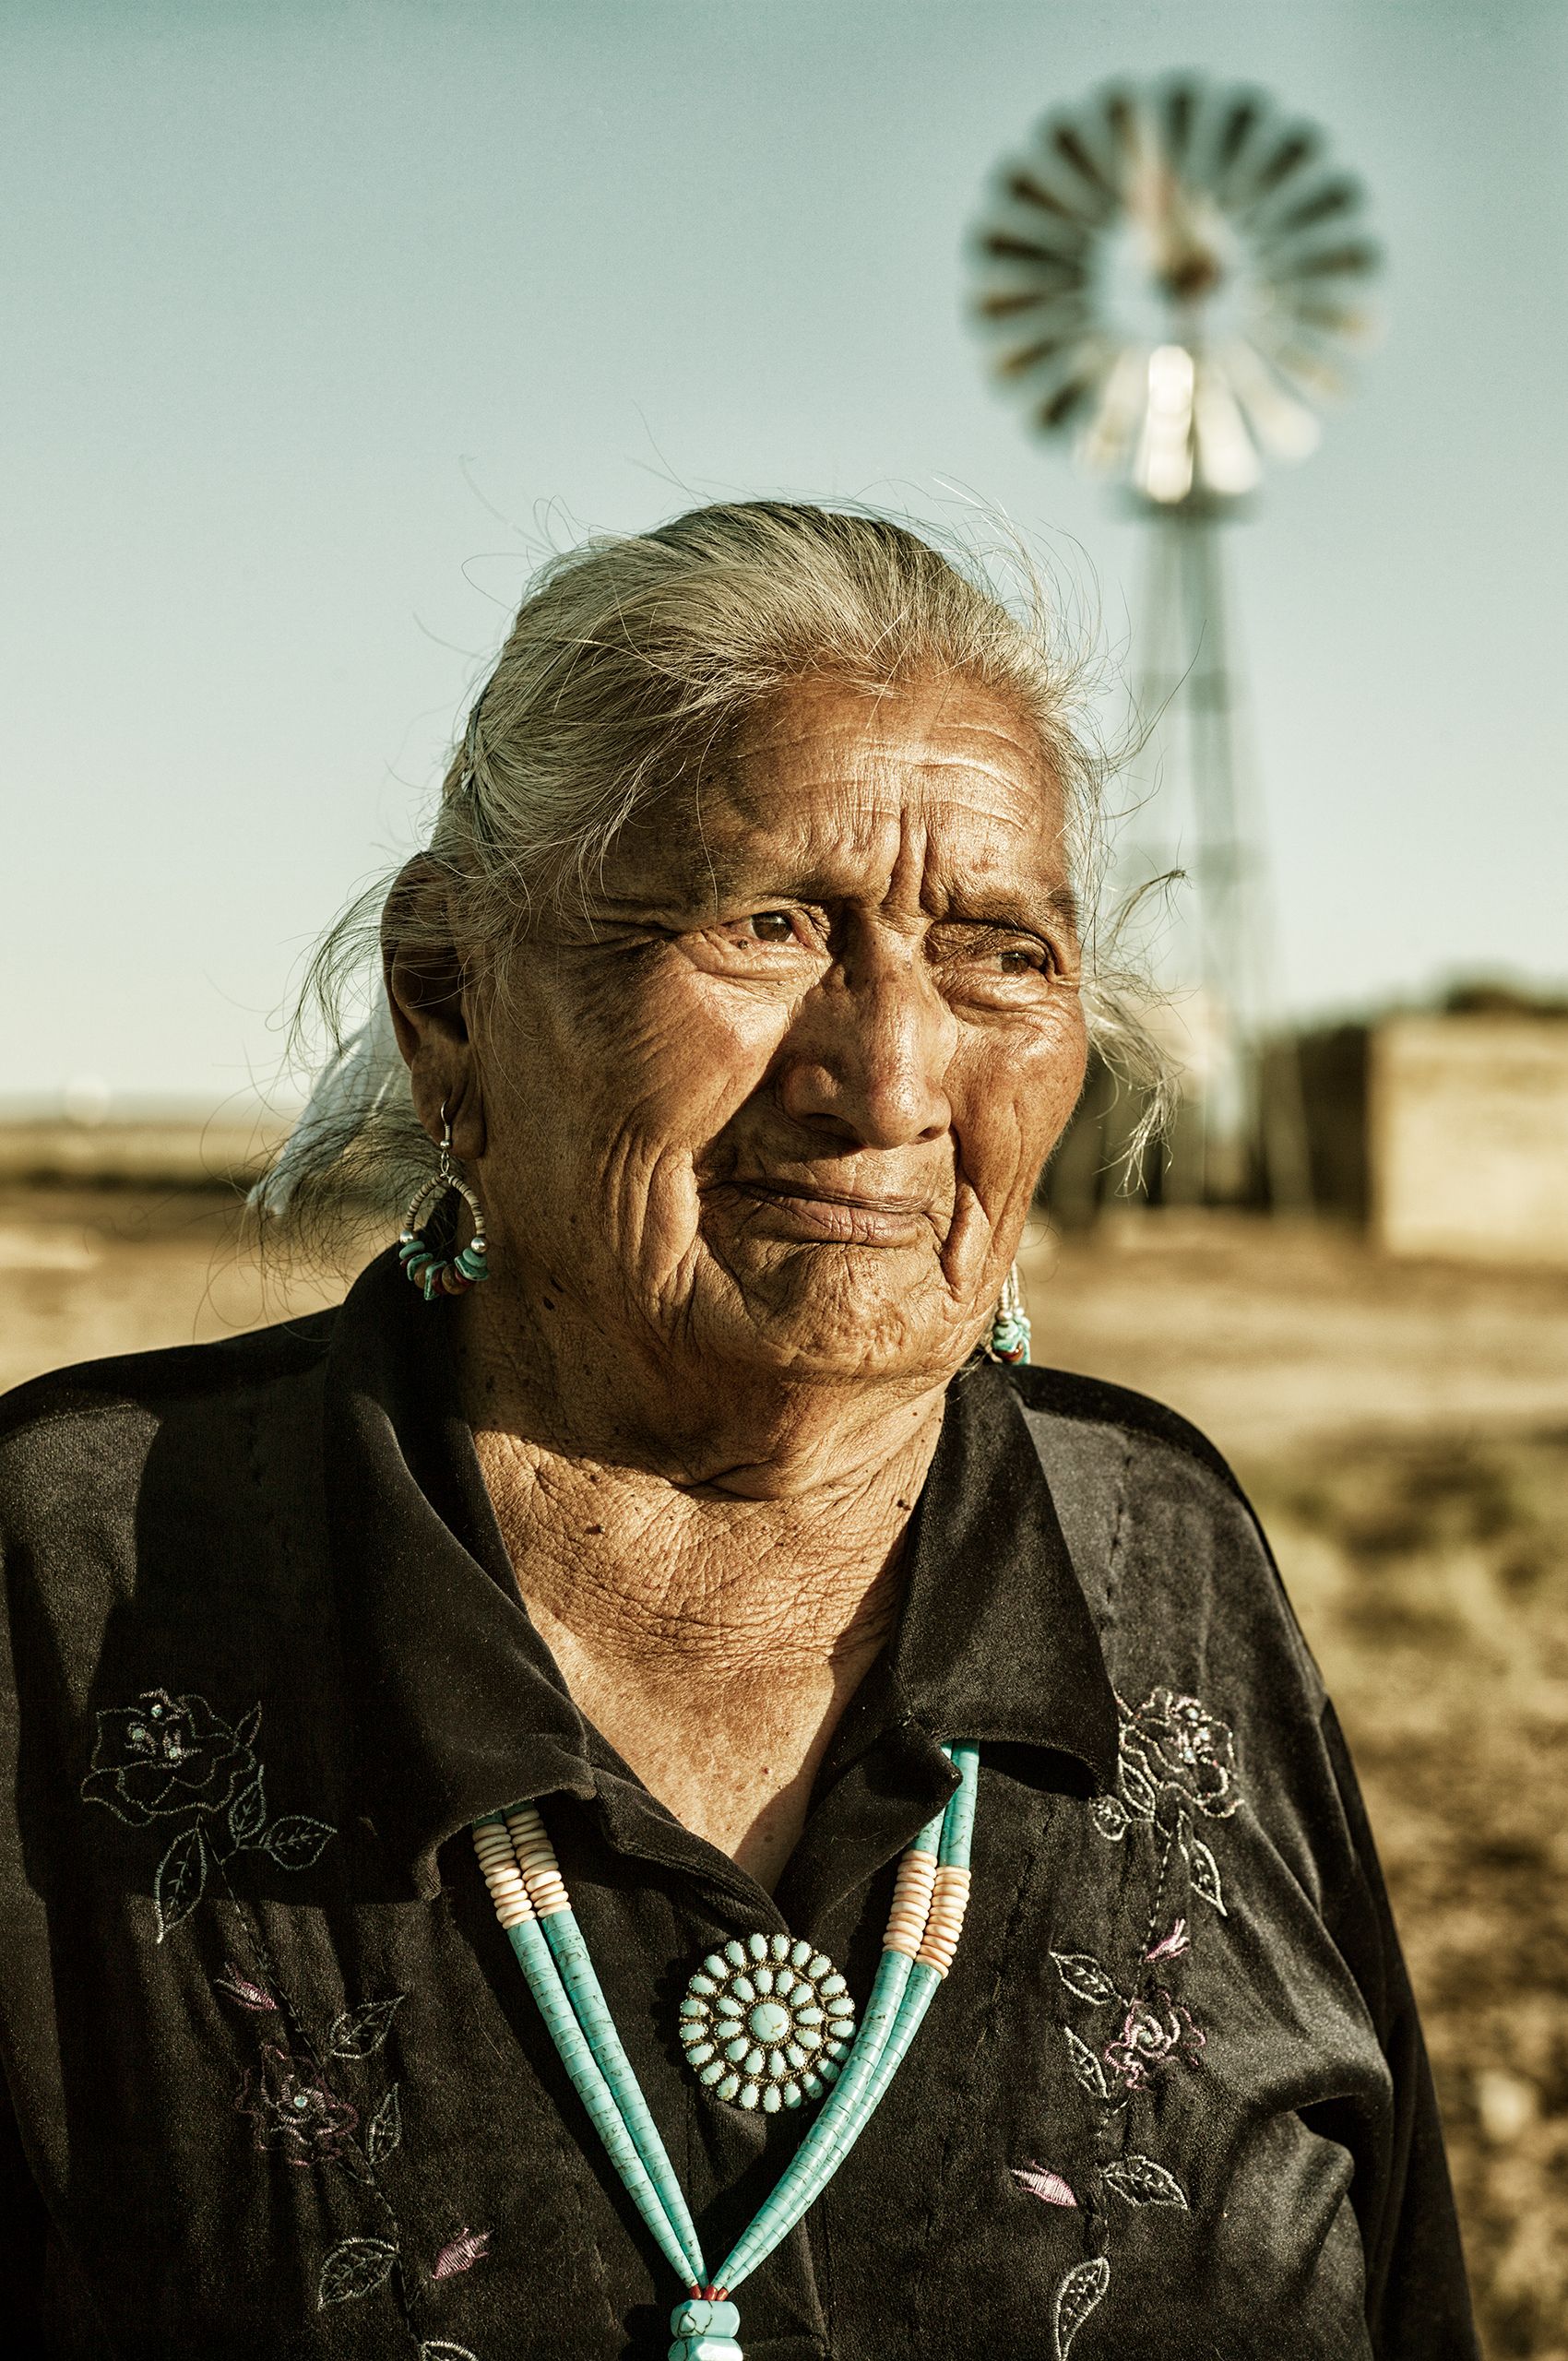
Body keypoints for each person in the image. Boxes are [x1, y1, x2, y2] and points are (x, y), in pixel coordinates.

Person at [0, 503, 1476, 2359]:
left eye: (997, 949)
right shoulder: (84, 1566)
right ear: (447, 999)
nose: (889, 1074)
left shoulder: (1157, 1546)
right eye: (767, 922)